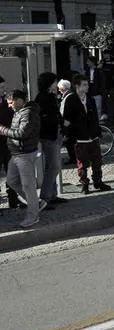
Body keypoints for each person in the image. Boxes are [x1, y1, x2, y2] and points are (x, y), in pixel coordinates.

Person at [0, 89, 43, 227]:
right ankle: (36, 203)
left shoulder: (28, 113)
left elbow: (22, 133)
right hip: (17, 153)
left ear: (19, 100)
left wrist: (2, 130)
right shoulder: (19, 111)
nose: (9, 105)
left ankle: (33, 216)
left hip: (25, 154)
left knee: (28, 186)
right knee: (12, 181)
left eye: (11, 102)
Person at [62, 74, 111, 194]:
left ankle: (98, 181)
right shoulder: (70, 99)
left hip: (92, 135)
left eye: (87, 84)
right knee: (82, 162)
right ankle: (84, 184)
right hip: (80, 137)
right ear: (77, 86)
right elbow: (66, 119)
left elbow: (94, 116)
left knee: (97, 160)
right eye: (84, 85)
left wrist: (97, 131)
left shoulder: (90, 98)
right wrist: (70, 135)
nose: (87, 87)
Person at [34, 72, 65, 206]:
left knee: (51, 165)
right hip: (48, 135)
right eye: (54, 81)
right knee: (54, 166)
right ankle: (45, 197)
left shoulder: (49, 97)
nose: (55, 84)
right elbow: (44, 117)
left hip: (52, 133)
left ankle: (52, 194)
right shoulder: (42, 98)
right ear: (49, 83)